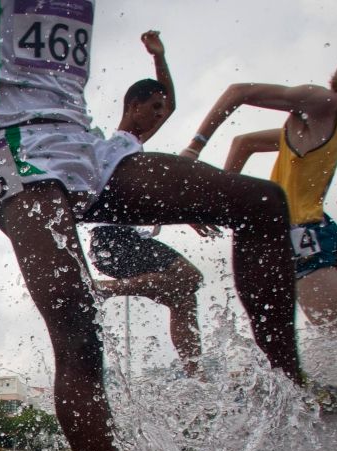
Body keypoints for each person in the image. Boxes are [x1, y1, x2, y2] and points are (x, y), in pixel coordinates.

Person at [0, 1, 301, 451]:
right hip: (16, 149)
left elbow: (162, 103)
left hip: (88, 146)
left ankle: (294, 390)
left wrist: (161, 59)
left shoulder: (130, 128)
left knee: (261, 202)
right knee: (79, 330)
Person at [182, 39, 337, 329]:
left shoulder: (331, 126)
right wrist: (194, 148)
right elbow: (238, 92)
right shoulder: (322, 103)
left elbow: (244, 144)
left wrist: (223, 201)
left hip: (320, 231)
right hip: (297, 240)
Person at [86, 31, 207, 377]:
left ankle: (196, 378)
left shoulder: (132, 143)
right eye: (152, 107)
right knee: (188, 275)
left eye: (160, 108)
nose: (159, 114)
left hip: (121, 240)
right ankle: (103, 290)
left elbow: (172, 106)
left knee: (184, 296)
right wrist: (184, 214)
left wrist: (159, 58)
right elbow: (114, 200)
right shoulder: (116, 146)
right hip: (112, 240)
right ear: (133, 107)